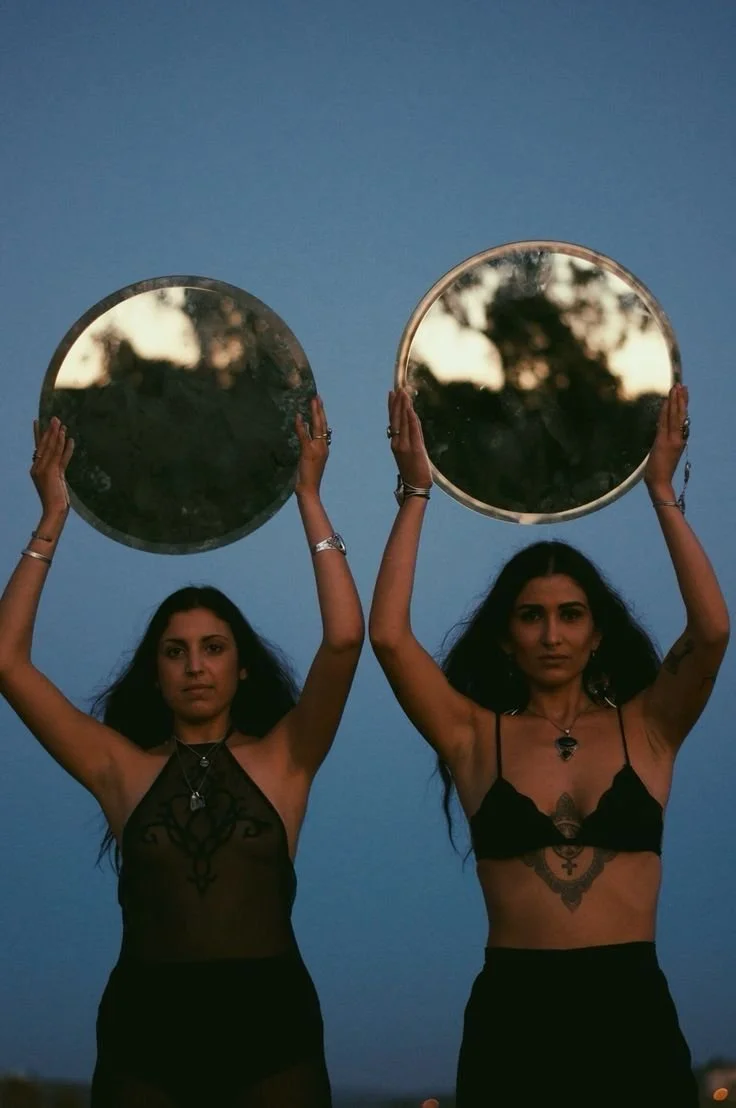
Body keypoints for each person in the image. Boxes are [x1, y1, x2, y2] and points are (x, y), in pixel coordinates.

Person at [369, 384, 729, 1107]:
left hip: (631, 1010)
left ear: (597, 632)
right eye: (531, 617)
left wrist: (662, 490)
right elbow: (387, 637)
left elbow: (713, 630)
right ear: (508, 637)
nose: (552, 634)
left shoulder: (648, 726)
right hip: (515, 1013)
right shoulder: (477, 737)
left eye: (570, 615)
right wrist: (415, 493)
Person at [0, 397, 364, 1107]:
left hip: (272, 1027)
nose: (195, 666)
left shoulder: (286, 757)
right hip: (146, 1030)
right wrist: (51, 520)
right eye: (176, 651)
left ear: (241, 667)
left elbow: (345, 639)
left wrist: (309, 500)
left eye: (213, 648)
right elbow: (9, 664)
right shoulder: (121, 770)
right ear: (156, 671)